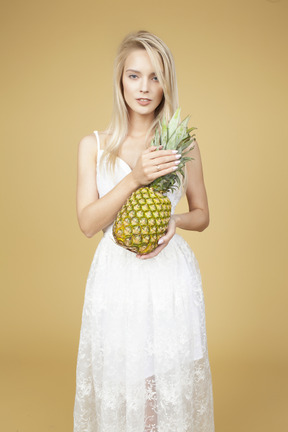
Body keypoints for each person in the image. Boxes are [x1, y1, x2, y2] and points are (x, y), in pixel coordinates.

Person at [74, 30, 215, 432]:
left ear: (166, 83)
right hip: (116, 277)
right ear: (120, 80)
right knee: (121, 384)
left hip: (169, 276)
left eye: (155, 77)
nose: (145, 87)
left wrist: (176, 221)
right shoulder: (94, 146)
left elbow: (202, 214)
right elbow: (87, 224)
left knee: (162, 387)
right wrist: (134, 178)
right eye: (134, 75)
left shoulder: (182, 145)